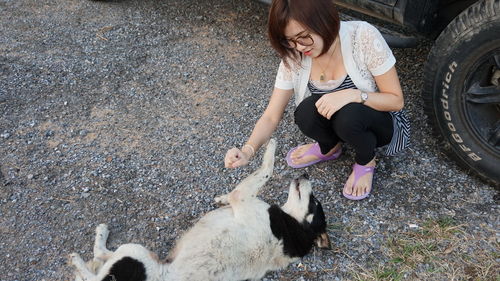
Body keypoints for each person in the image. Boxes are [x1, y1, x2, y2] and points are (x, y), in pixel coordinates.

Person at [224, 0, 410, 200]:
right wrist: (247, 150)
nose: (298, 46)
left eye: (303, 37)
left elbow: (396, 101)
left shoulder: (362, 36)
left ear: (324, 21)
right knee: (305, 113)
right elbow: (271, 116)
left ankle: (366, 161)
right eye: (290, 40)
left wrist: (354, 94)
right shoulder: (295, 55)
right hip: (342, 122)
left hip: (379, 122)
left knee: (350, 115)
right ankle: (329, 147)